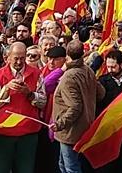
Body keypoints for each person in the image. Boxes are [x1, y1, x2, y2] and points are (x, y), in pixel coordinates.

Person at [0, 41, 46, 173]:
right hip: (4, 131)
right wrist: (6, 89)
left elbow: (43, 102)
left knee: (26, 169)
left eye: (22, 58)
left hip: (28, 132)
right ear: (8, 57)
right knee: (0, 169)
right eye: (16, 58)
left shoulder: (36, 74)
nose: (19, 62)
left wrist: (29, 94)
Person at [50, 41, 103, 173]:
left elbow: (75, 107)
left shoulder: (69, 76)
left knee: (71, 167)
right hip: (85, 125)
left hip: (70, 131)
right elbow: (101, 93)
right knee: (63, 164)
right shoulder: (88, 70)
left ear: (67, 54)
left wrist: (60, 124)